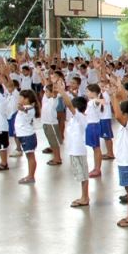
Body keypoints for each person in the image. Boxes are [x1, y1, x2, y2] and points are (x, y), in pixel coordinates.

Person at [108, 80, 128, 228]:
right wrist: (115, 92)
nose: (119, 111)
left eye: (122, 110)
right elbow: (124, 105)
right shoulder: (127, 124)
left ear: (126, 114)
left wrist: (114, 97)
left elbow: (117, 116)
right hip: (123, 162)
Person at [56, 79, 90, 208]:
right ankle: (84, 196)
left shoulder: (80, 117)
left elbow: (69, 105)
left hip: (78, 151)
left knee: (83, 175)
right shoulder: (75, 119)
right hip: (74, 150)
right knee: (81, 175)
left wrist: (61, 91)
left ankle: (85, 197)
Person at [14, 89, 40, 184]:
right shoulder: (27, 107)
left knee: (30, 157)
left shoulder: (30, 108)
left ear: (26, 99)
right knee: (29, 156)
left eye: (21, 97)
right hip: (24, 135)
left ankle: (31, 176)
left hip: (27, 136)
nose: (19, 99)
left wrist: (21, 107)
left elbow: (24, 110)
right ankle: (30, 175)